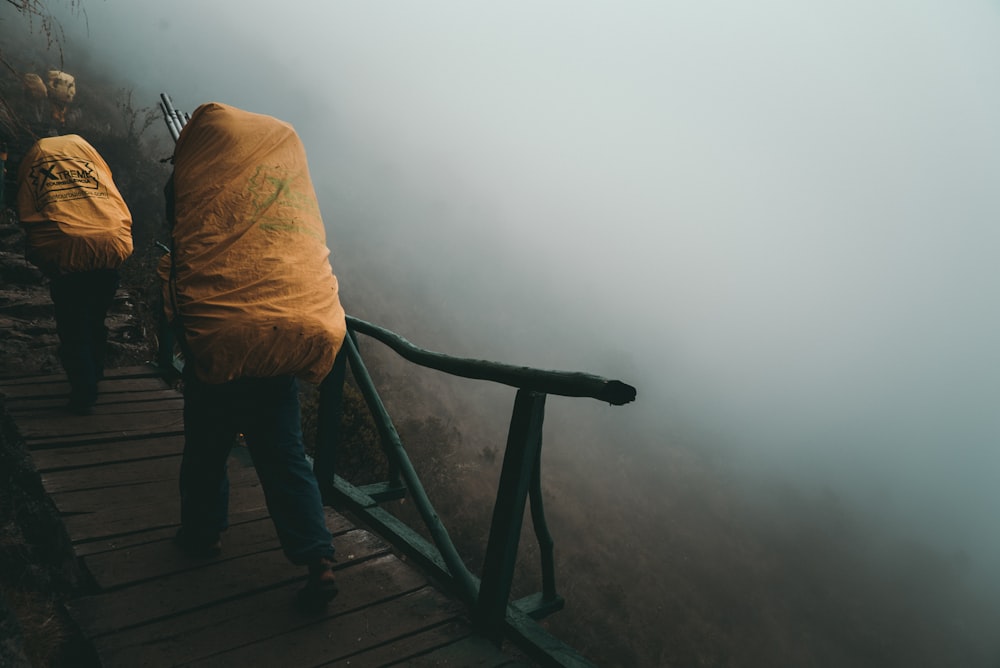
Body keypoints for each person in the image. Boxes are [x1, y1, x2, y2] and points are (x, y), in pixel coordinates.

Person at [162, 102, 348, 611]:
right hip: (285, 332)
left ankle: (202, 534)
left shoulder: (196, 182)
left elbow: (185, 242)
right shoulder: (277, 188)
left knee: (206, 446)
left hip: (225, 334)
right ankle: (319, 559)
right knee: (285, 453)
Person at [16, 134, 133, 414]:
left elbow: (26, 207)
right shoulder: (90, 160)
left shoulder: (39, 156)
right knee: (96, 320)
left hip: (67, 252)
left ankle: (84, 391)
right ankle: (95, 373)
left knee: (72, 326)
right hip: (108, 245)